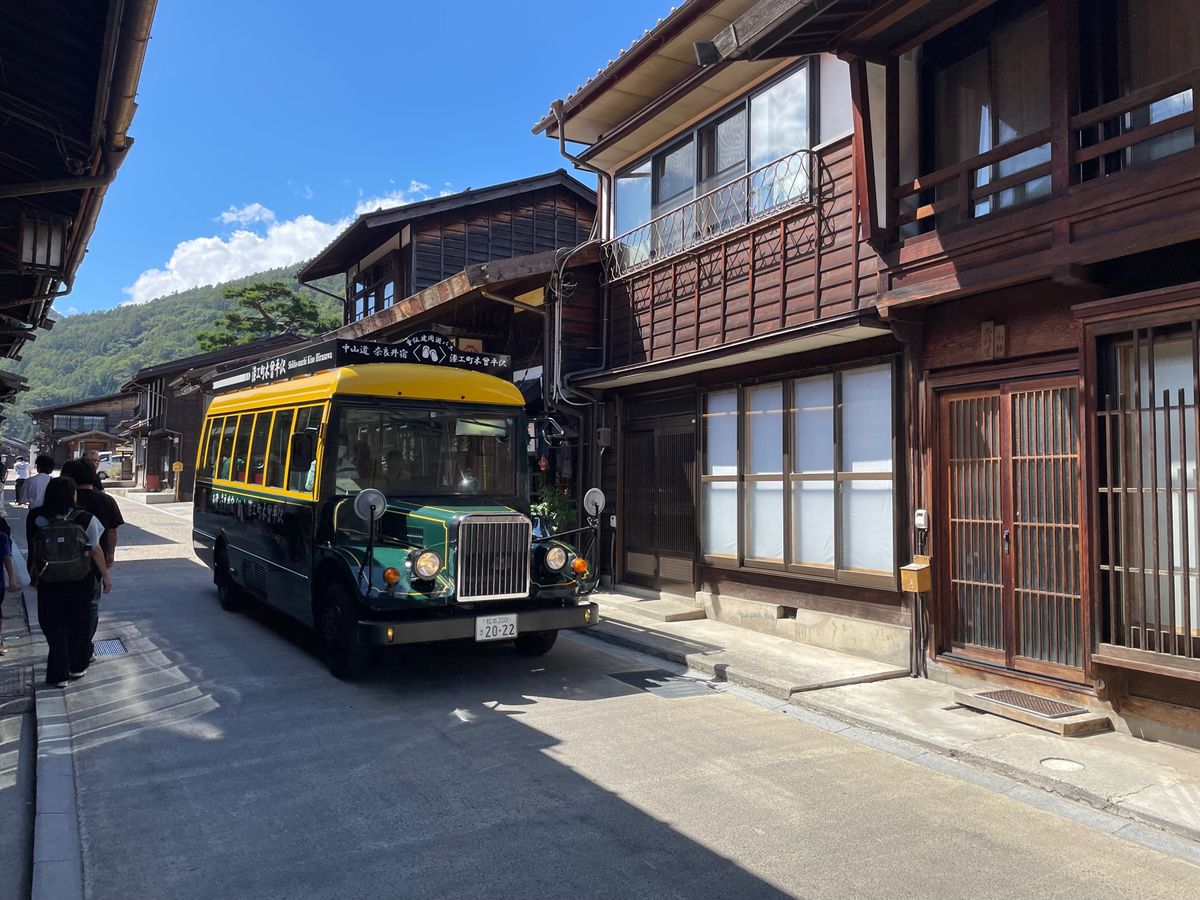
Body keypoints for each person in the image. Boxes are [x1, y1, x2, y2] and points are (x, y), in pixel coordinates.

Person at [29, 476, 111, 688]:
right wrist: (105, 576)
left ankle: (58, 675)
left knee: (54, 625)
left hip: (48, 579)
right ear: (72, 495)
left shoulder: (37, 517)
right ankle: (77, 667)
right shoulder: (85, 518)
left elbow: (33, 547)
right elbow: (95, 549)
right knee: (78, 623)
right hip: (79, 579)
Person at [62, 460, 123, 657]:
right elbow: (112, 532)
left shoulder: (64, 498)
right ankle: (84, 646)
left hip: (63, 562)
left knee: (67, 606)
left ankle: (68, 646)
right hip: (94, 564)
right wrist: (110, 555)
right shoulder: (106, 500)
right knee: (90, 606)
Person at [0, 518, 21, 655]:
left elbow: (7, 559)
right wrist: (12, 579)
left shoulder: (2, 538)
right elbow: (7, 559)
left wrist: (12, 579)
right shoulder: (2, 537)